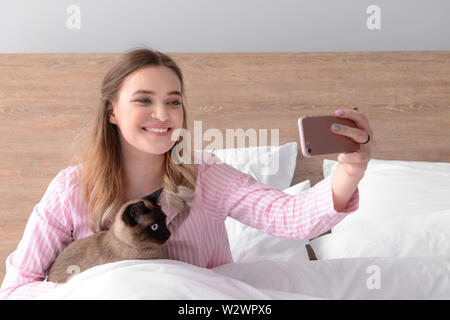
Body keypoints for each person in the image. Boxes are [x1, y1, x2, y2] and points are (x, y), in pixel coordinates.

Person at [0, 48, 375, 299]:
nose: (162, 115)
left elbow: (291, 218)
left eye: (173, 102)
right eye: (144, 100)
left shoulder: (206, 177)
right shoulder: (71, 189)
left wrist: (350, 169)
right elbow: (16, 289)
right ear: (112, 111)